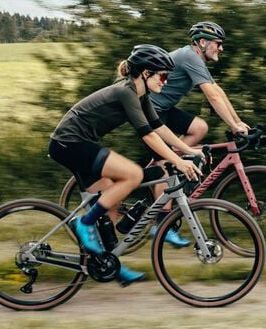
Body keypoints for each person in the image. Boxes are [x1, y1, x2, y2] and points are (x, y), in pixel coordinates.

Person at [48, 44, 203, 286]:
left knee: (110, 198)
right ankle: (84, 222)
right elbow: (148, 135)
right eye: (162, 75)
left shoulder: (142, 96)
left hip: (77, 144)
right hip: (69, 143)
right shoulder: (126, 93)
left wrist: (188, 151)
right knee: (132, 175)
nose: (166, 80)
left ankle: (109, 265)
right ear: (145, 73)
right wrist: (178, 161)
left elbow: (159, 128)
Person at [148, 21, 249, 244]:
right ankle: (161, 225)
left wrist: (238, 121)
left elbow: (217, 92)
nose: (221, 48)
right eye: (218, 43)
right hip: (149, 111)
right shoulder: (190, 57)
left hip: (162, 109)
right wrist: (233, 127)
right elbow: (212, 98)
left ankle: (164, 161)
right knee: (167, 163)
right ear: (202, 42)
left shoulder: (194, 59)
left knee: (200, 127)